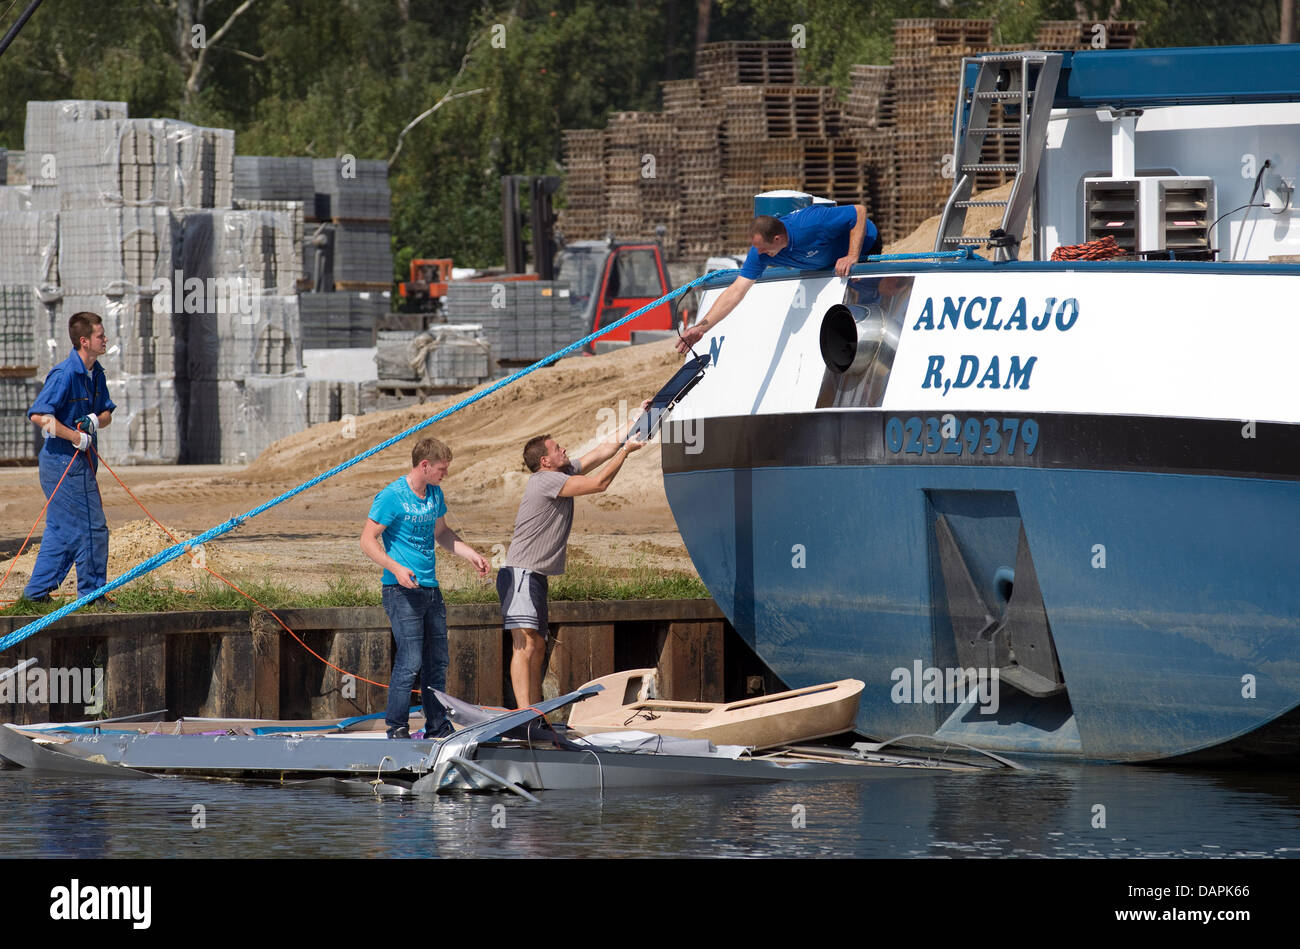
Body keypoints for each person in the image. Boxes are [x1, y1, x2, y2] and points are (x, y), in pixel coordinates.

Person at [498, 412, 648, 708]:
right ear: (545, 461)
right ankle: (523, 713)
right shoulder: (544, 481)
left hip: (535, 576)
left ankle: (535, 710)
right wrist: (627, 454)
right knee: (525, 644)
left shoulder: (562, 472)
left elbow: (604, 448)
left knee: (538, 645)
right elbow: (598, 484)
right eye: (557, 449)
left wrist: (638, 417)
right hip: (520, 574)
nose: (564, 450)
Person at [361, 436, 489, 739]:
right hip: (400, 589)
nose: (445, 474)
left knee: (437, 661)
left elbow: (441, 532)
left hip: (430, 589)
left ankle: (437, 726)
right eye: (442, 469)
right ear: (425, 465)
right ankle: (397, 728)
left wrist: (471, 554)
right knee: (410, 660)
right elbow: (367, 540)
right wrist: (396, 567)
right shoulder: (392, 496)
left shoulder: (435, 494)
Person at [676, 203, 882, 354]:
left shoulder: (810, 224)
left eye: (763, 248)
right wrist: (701, 328)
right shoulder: (761, 252)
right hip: (828, 262)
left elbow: (859, 212)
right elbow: (736, 291)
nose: (760, 253)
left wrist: (852, 256)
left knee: (868, 304)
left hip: (865, 245)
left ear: (777, 239)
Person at [24, 312, 116, 602]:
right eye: (101, 336)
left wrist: (94, 421)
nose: (106, 339)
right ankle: (91, 595)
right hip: (62, 464)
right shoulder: (64, 374)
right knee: (92, 527)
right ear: (84, 341)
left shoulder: (96, 373)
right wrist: (75, 436)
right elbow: (39, 416)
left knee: (61, 531)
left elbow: (106, 412)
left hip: (82, 464)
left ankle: (36, 594)